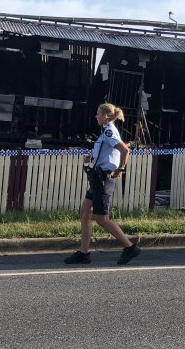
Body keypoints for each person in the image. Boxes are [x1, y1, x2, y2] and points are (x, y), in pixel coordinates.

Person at [64, 103, 141, 265]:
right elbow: (107, 153)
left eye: (98, 113)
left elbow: (124, 150)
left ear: (105, 116)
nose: (96, 116)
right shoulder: (105, 131)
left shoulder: (108, 130)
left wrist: (120, 169)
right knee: (85, 214)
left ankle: (130, 247)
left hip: (105, 178)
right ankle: (84, 253)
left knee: (101, 218)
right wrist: (91, 159)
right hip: (97, 177)